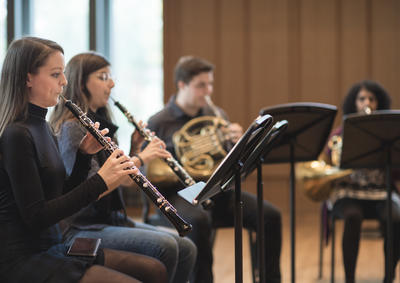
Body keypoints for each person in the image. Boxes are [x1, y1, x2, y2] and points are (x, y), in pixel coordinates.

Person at [0, 37, 169, 283]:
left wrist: (83, 156)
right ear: (28, 78)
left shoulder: (43, 126)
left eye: (64, 74)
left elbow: (60, 195)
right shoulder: (16, 134)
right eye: (56, 74)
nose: (64, 82)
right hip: (23, 258)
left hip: (51, 245)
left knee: (155, 270)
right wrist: (102, 180)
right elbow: (37, 217)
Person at [49, 51, 197, 283]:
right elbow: (91, 191)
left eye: (111, 75)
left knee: (186, 247)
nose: (112, 83)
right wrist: (142, 159)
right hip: (85, 226)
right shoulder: (72, 128)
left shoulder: (100, 122)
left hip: (112, 219)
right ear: (81, 83)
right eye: (103, 76)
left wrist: (136, 149)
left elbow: (127, 181)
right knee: (167, 246)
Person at [146, 55, 282, 283]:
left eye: (210, 84)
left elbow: (229, 164)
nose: (208, 91)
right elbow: (150, 171)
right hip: (177, 194)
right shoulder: (159, 122)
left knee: (269, 215)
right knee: (199, 221)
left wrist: (241, 143)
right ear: (182, 85)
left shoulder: (216, 116)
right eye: (201, 85)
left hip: (215, 191)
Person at [324, 80, 400, 283]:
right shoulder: (339, 135)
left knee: (396, 217)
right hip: (347, 193)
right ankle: (350, 278)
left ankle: (389, 276)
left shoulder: (389, 134)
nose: (367, 102)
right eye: (361, 98)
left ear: (379, 103)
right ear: (353, 103)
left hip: (380, 192)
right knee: (352, 217)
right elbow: (330, 161)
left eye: (372, 99)